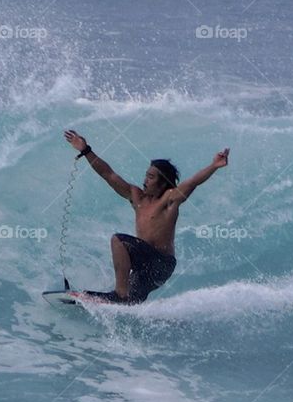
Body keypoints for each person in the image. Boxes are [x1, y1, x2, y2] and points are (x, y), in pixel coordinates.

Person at [63, 129, 230, 304]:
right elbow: (108, 174)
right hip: (143, 267)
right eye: (146, 175)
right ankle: (120, 301)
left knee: (118, 241)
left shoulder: (169, 200)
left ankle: (119, 294)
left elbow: (193, 182)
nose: (145, 180)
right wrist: (86, 151)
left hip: (160, 265)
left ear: (163, 182)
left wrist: (214, 166)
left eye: (151, 177)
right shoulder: (136, 196)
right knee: (130, 304)